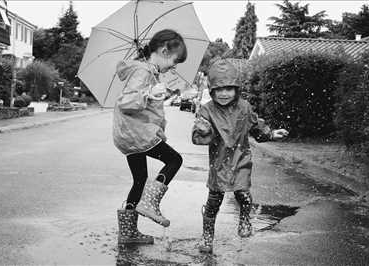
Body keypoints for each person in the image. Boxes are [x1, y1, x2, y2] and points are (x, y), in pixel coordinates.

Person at [192, 59, 288, 253]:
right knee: (213, 202)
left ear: (237, 89)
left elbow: (256, 126)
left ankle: (245, 219)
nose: (224, 93)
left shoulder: (244, 107)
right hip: (219, 165)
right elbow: (198, 138)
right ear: (212, 90)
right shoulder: (207, 110)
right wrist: (202, 130)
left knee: (243, 195)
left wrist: (270, 134)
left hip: (241, 159)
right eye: (219, 89)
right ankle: (207, 237)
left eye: (229, 89)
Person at [113, 29, 187, 245]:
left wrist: (156, 95)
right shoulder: (143, 72)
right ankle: (150, 203)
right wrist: (148, 94)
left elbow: (145, 106)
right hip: (137, 133)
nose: (174, 66)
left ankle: (128, 233)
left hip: (128, 133)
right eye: (174, 60)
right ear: (164, 51)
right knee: (174, 160)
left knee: (139, 179)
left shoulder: (148, 72)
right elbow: (126, 102)